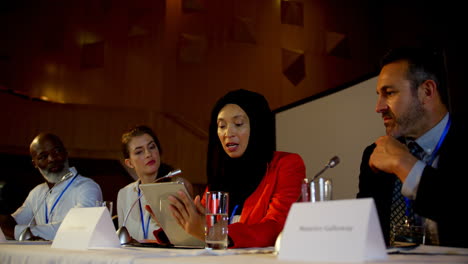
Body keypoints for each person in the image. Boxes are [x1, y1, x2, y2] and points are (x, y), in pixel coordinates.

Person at [356, 46, 468, 248]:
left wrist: (405, 164)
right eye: (378, 95)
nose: (378, 107)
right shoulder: (375, 154)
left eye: (389, 93)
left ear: (427, 91)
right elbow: (365, 234)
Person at [165, 89, 306, 248]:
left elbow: (275, 228)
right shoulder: (220, 176)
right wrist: (175, 223)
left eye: (238, 124)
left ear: (257, 126)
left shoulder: (287, 165)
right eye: (221, 126)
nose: (228, 133)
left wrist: (212, 232)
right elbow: (200, 233)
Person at [0, 132, 103, 240]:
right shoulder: (37, 192)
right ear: (35, 163)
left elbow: (76, 228)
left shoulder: (87, 187)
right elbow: (13, 223)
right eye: (43, 156)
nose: (52, 159)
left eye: (57, 151)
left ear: (66, 153)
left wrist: (18, 232)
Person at [118, 125, 182, 241]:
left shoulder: (177, 186)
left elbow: (184, 239)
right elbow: (123, 239)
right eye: (139, 152)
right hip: (134, 257)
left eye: (152, 147)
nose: (148, 154)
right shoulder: (124, 194)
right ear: (129, 163)